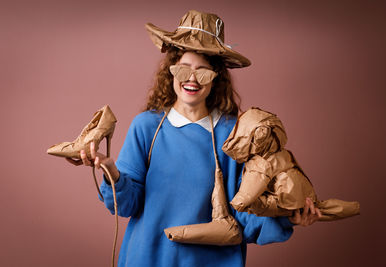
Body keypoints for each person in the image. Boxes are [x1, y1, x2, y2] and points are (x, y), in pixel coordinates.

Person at [73, 10, 320, 267]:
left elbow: (245, 212)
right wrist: (111, 171)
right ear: (170, 72)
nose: (192, 79)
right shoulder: (146, 127)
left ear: (216, 78)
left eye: (202, 71)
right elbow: (126, 205)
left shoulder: (234, 135)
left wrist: (287, 217)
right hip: (148, 259)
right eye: (184, 69)